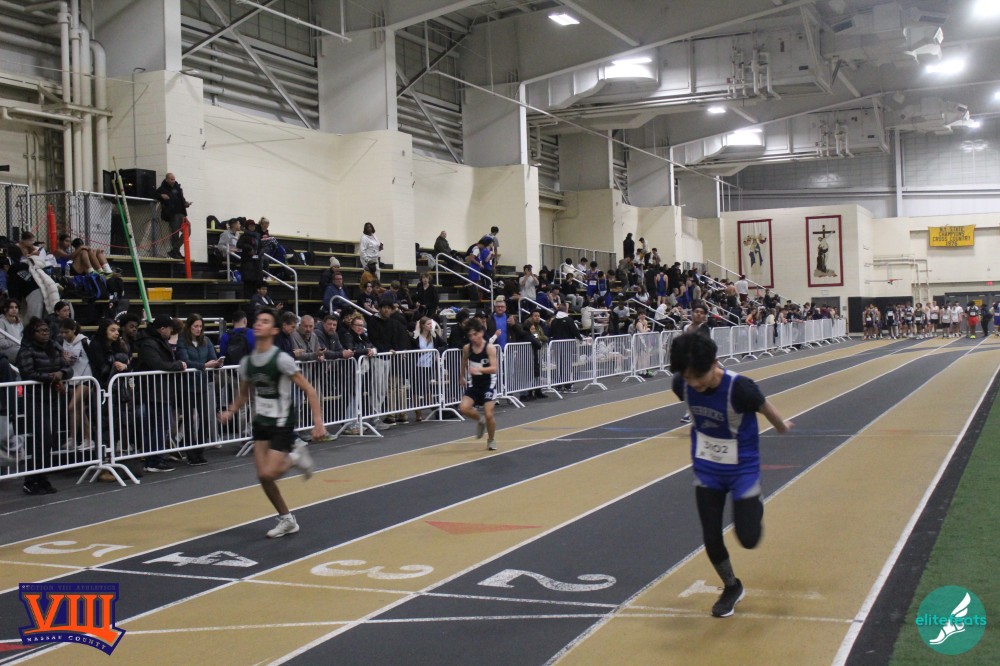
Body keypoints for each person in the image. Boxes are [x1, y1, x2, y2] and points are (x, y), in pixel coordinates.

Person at [669, 332, 792, 618]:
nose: (694, 384)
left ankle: (753, 499)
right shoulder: (681, 384)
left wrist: (781, 426)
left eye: (698, 377)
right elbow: (687, 382)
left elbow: (766, 408)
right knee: (711, 535)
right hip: (707, 470)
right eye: (687, 378)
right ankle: (731, 586)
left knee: (748, 538)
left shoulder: (741, 388)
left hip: (742, 470)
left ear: (715, 363)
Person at [218, 308, 325, 538]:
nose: (259, 324)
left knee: (269, 473)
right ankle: (287, 519)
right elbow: (244, 394)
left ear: (274, 330)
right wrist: (231, 411)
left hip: (281, 421)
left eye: (265, 321)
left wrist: (318, 422)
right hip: (261, 421)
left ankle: (295, 456)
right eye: (257, 321)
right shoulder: (248, 362)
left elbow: (309, 389)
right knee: (263, 476)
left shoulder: (281, 360)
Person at [16, 317, 74, 494]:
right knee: (41, 439)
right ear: (32, 333)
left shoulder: (54, 347)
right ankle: (31, 480)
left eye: (46, 330)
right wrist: (52, 377)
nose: (45, 333)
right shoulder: (26, 350)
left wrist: (61, 373)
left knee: (50, 440)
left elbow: (68, 368)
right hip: (34, 399)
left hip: (52, 399)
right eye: (40, 331)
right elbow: (28, 373)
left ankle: (43, 478)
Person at [458, 317, 499, 451]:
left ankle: (491, 439)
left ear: (481, 332)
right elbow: (464, 361)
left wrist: (479, 369)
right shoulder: (467, 348)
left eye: (475, 334)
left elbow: (494, 368)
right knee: (463, 408)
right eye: (470, 336)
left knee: (489, 414)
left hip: (488, 384)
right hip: (474, 384)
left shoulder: (489, 348)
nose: (473, 338)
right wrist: (462, 376)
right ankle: (480, 420)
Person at [156, 172, 192, 259]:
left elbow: (182, 199)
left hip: (182, 213)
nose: (173, 181)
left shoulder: (178, 188)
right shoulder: (162, 188)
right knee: (175, 234)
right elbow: (154, 194)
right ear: (167, 179)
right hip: (172, 214)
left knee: (188, 231)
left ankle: (174, 250)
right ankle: (176, 252)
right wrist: (161, 196)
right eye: (171, 179)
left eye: (174, 179)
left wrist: (186, 203)